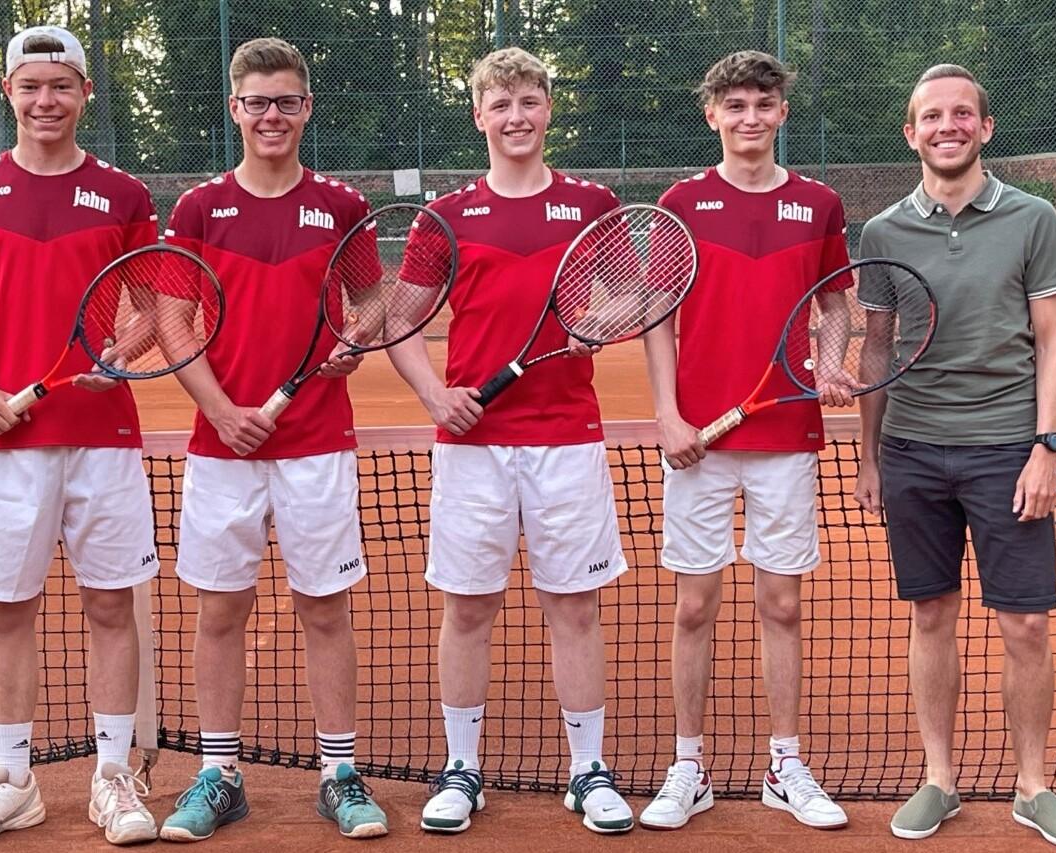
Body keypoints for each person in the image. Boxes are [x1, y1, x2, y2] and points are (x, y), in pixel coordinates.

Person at [386, 47, 634, 835]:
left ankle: (588, 770)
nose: (516, 117)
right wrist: (436, 394)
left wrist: (603, 319)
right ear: (479, 117)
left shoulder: (591, 203)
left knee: (574, 607)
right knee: (468, 607)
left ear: (548, 109)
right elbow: (400, 319)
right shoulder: (445, 217)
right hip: (473, 445)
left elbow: (633, 293)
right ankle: (461, 768)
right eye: (501, 104)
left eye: (529, 101)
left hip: (567, 437)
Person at [0, 25, 160, 847]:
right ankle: (12, 782)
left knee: (110, 606)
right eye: (30, 85)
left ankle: (112, 776)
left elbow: (154, 310)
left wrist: (119, 355)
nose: (45, 100)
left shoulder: (124, 194)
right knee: (8, 610)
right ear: (9, 93)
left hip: (103, 434)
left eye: (61, 85)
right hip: (2, 442)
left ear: (85, 93)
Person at [854, 64, 1056, 850]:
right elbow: (877, 347)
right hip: (913, 450)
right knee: (931, 614)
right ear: (911, 133)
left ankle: (1033, 786)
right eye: (931, 116)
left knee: (1025, 624)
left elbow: (1052, 342)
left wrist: (1045, 447)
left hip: (1006, 450)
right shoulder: (883, 231)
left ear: (985, 128)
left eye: (962, 114)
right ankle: (940, 779)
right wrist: (868, 457)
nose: (947, 126)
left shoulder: (1032, 218)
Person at [157, 37, 387, 842]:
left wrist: (358, 336)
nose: (272, 115)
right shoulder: (199, 208)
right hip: (222, 448)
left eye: (287, 101)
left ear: (307, 108)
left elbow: (373, 300)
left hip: (317, 442)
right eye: (257, 102)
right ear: (235, 109)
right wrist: (222, 410)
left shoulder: (343, 205)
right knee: (221, 610)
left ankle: (339, 773)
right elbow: (172, 320)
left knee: (325, 609)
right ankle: (219, 774)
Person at [638, 50, 853, 832]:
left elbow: (836, 305)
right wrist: (668, 414)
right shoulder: (681, 203)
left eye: (764, 103)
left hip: (787, 433)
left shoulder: (819, 203)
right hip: (698, 440)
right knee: (694, 604)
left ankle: (784, 764)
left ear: (782, 112)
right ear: (713, 115)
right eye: (735, 105)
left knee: (782, 603)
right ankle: (687, 765)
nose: (750, 117)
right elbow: (657, 314)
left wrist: (833, 364)